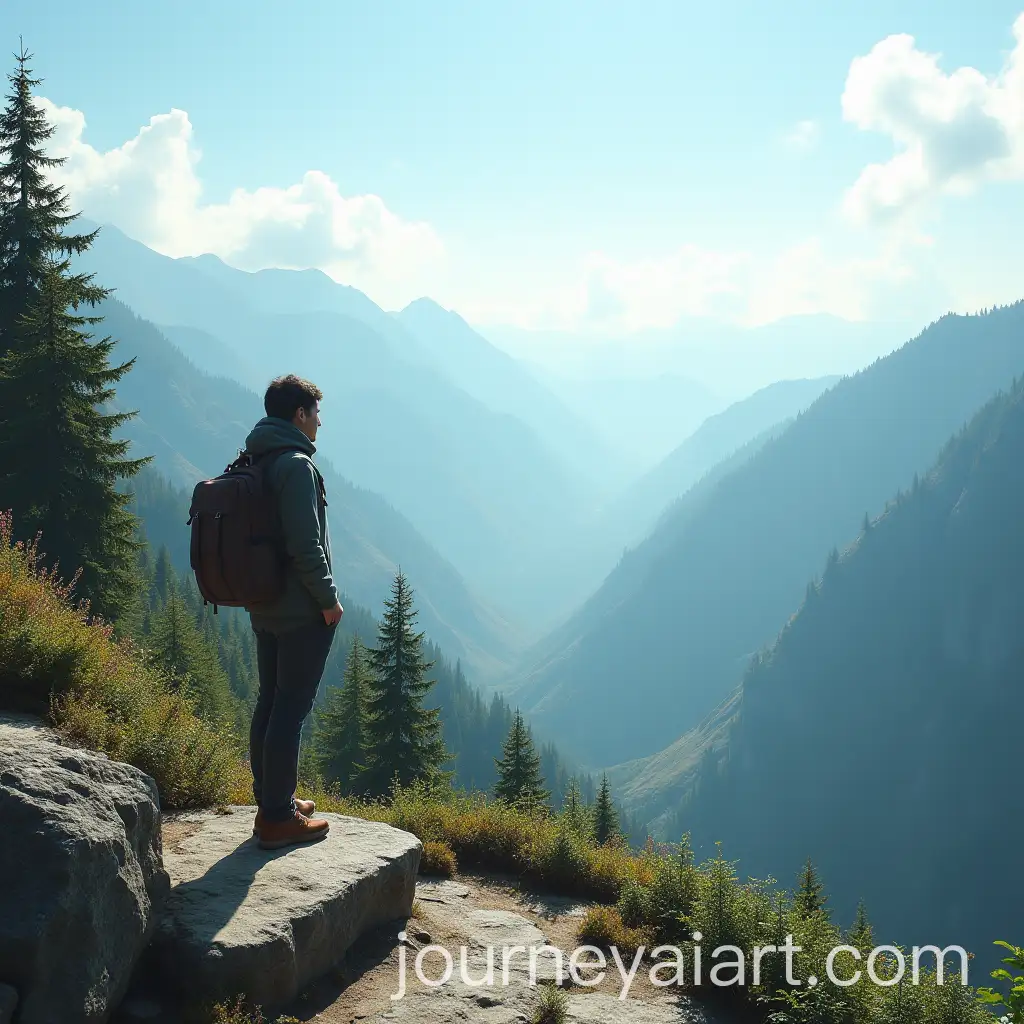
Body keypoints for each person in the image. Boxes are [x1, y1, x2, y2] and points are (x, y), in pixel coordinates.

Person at [245, 374, 344, 850]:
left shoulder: (255, 458)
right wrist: (328, 601)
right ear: (299, 415)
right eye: (316, 413)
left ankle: (271, 799)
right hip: (299, 609)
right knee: (291, 709)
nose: (320, 422)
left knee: (270, 701)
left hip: (262, 602)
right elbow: (306, 547)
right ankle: (278, 817)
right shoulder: (296, 466)